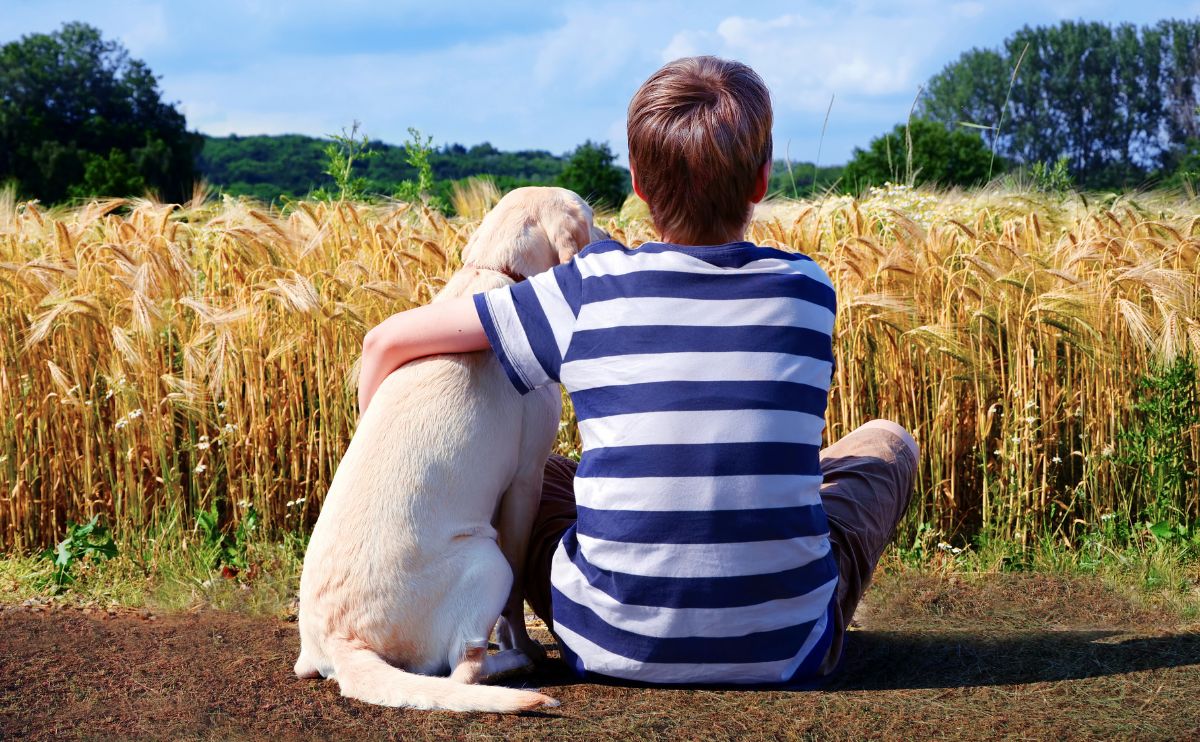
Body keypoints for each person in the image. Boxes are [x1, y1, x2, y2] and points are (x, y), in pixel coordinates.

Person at [356, 56, 918, 685]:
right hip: (789, 646)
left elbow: (385, 344)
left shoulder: (589, 288)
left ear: (638, 184)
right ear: (761, 181)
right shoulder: (809, 288)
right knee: (886, 443)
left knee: (533, 472)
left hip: (605, 640)